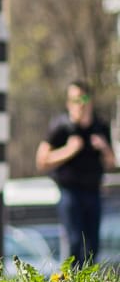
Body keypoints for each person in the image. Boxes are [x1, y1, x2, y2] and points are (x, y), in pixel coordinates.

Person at [37, 80, 114, 269]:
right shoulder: (61, 127)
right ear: (68, 103)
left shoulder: (100, 126)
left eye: (83, 98)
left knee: (92, 245)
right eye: (74, 100)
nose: (80, 104)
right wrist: (68, 151)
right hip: (70, 191)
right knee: (74, 242)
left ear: (90, 101)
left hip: (93, 191)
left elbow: (112, 162)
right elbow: (41, 160)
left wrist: (104, 147)